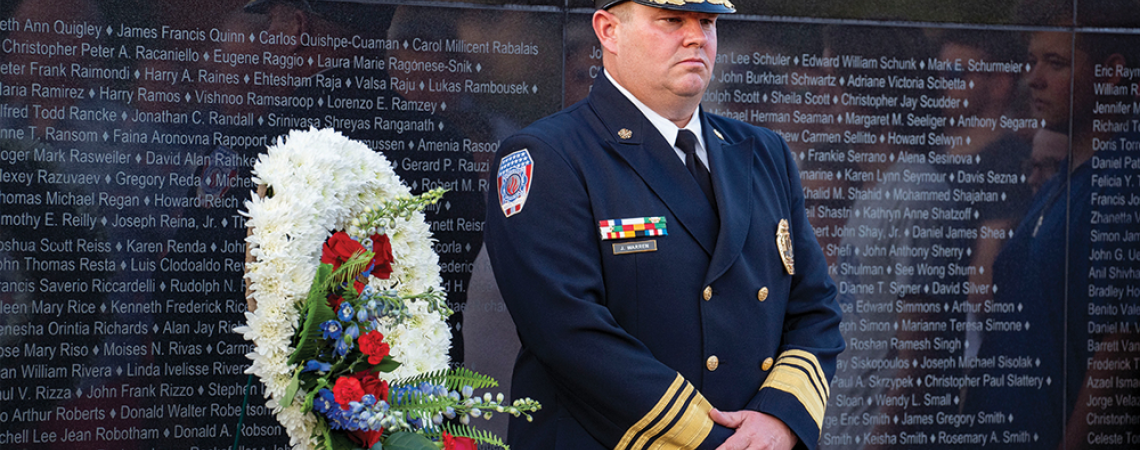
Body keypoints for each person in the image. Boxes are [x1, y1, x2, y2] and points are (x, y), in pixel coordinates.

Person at [483, 1, 844, 449]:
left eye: (707, 22)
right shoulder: (549, 156)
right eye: (672, 20)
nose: (696, 37)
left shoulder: (762, 151)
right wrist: (712, 438)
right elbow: (568, 331)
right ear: (609, 31)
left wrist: (780, 419)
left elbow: (815, 308)